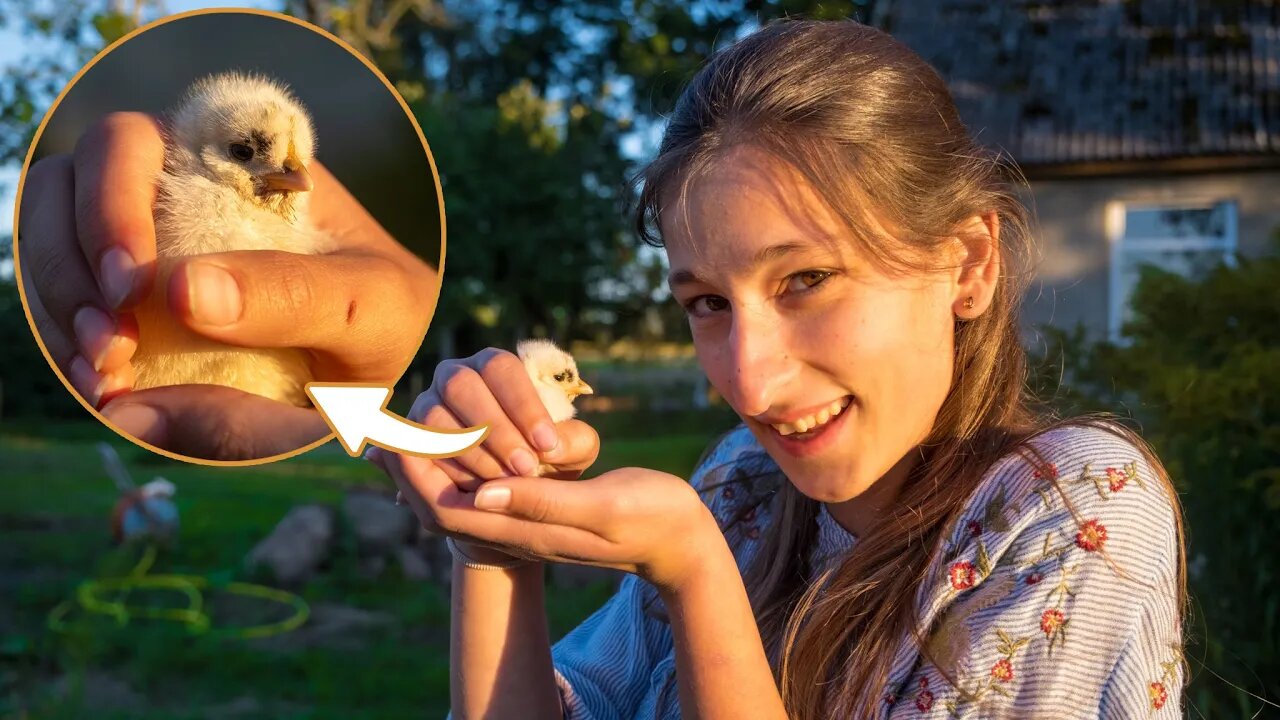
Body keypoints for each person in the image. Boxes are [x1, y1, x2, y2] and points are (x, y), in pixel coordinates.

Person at [371, 19, 1185, 719]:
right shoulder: (741, 486)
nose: (750, 384)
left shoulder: (1071, 513)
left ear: (968, 264)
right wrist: (494, 543)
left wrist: (698, 579)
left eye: (806, 281)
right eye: (708, 304)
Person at [18, 112, 437, 460]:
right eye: (243, 152)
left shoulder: (305, 237)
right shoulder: (184, 199)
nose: (295, 175)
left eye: (298, 160)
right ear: (198, 150)